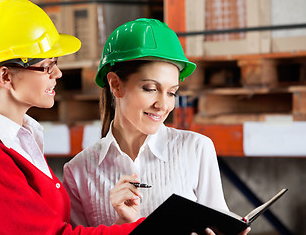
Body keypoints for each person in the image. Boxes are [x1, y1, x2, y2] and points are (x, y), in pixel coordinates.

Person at [0, 0, 144, 234]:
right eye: (47, 66)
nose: (58, 74)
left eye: (56, 63)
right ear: (5, 77)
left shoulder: (20, 138)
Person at [63, 18, 251, 235]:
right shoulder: (79, 171)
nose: (163, 105)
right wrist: (121, 224)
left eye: (172, 92)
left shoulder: (196, 149)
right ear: (115, 85)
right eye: (150, 88)